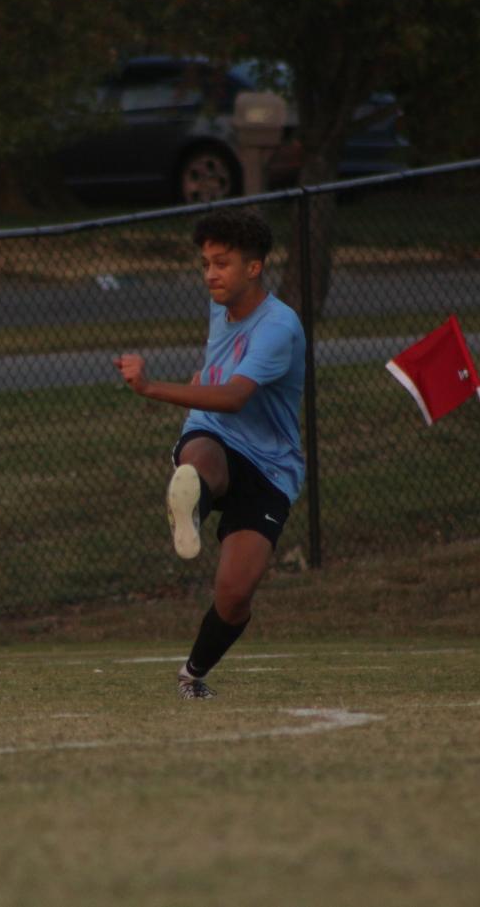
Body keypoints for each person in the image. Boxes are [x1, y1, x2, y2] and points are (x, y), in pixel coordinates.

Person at [112, 207, 306, 699]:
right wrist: (204, 375)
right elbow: (222, 372)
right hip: (214, 435)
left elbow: (238, 395)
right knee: (202, 457)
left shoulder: (278, 326)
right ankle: (190, 504)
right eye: (205, 263)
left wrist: (153, 387)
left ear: (254, 268)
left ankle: (192, 674)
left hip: (270, 466)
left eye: (221, 264)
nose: (210, 275)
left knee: (234, 594)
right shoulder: (221, 305)